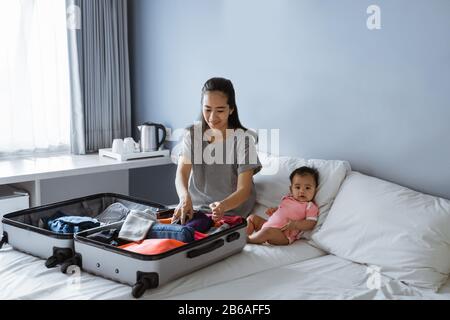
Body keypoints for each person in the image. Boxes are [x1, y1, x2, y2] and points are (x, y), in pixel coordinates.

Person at [172, 77, 262, 225]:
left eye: (220, 110)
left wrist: (223, 206)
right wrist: (184, 198)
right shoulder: (192, 135)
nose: (212, 118)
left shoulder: (243, 140)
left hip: (230, 211)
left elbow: (244, 189)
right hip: (198, 208)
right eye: (207, 109)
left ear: (231, 109)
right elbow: (181, 173)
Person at [246, 166, 320, 245]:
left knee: (267, 232)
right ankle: (244, 235)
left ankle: (249, 239)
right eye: (298, 187)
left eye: (307, 188)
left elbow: (311, 223)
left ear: (315, 190)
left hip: (283, 234)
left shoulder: (310, 206)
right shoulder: (287, 198)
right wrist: (274, 211)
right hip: (268, 225)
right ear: (291, 189)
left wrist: (296, 225)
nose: (302, 191)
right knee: (252, 218)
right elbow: (282, 211)